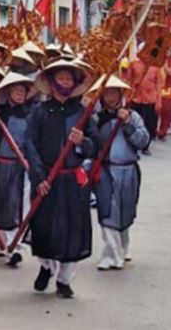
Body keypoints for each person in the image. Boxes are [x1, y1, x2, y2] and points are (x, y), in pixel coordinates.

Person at [24, 58, 98, 299]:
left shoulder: (82, 113)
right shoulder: (40, 112)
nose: (64, 82)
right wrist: (38, 176)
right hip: (46, 179)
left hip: (72, 182)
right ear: (52, 82)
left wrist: (82, 142)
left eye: (69, 78)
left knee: (72, 232)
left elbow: (96, 147)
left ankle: (65, 279)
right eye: (60, 78)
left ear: (75, 82)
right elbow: (30, 144)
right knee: (43, 228)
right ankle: (46, 267)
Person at [89, 75, 149, 270]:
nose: (110, 97)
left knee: (126, 212)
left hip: (129, 170)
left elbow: (143, 141)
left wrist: (127, 124)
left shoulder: (133, 116)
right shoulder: (96, 119)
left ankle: (122, 248)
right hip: (107, 170)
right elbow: (91, 146)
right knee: (108, 212)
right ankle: (111, 255)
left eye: (114, 92)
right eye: (106, 92)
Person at [0, 72, 35, 267]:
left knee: (19, 207)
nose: (18, 94)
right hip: (1, 164)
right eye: (15, 90)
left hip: (22, 166)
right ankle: (2, 243)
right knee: (2, 206)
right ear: (8, 93)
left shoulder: (32, 114)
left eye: (22, 91)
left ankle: (14, 246)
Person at [124, 57, 161, 152]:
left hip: (150, 99)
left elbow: (158, 85)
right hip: (136, 98)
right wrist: (127, 94)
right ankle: (134, 143)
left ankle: (146, 146)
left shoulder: (156, 67)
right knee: (134, 122)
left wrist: (159, 101)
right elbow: (127, 80)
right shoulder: (134, 64)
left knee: (150, 124)